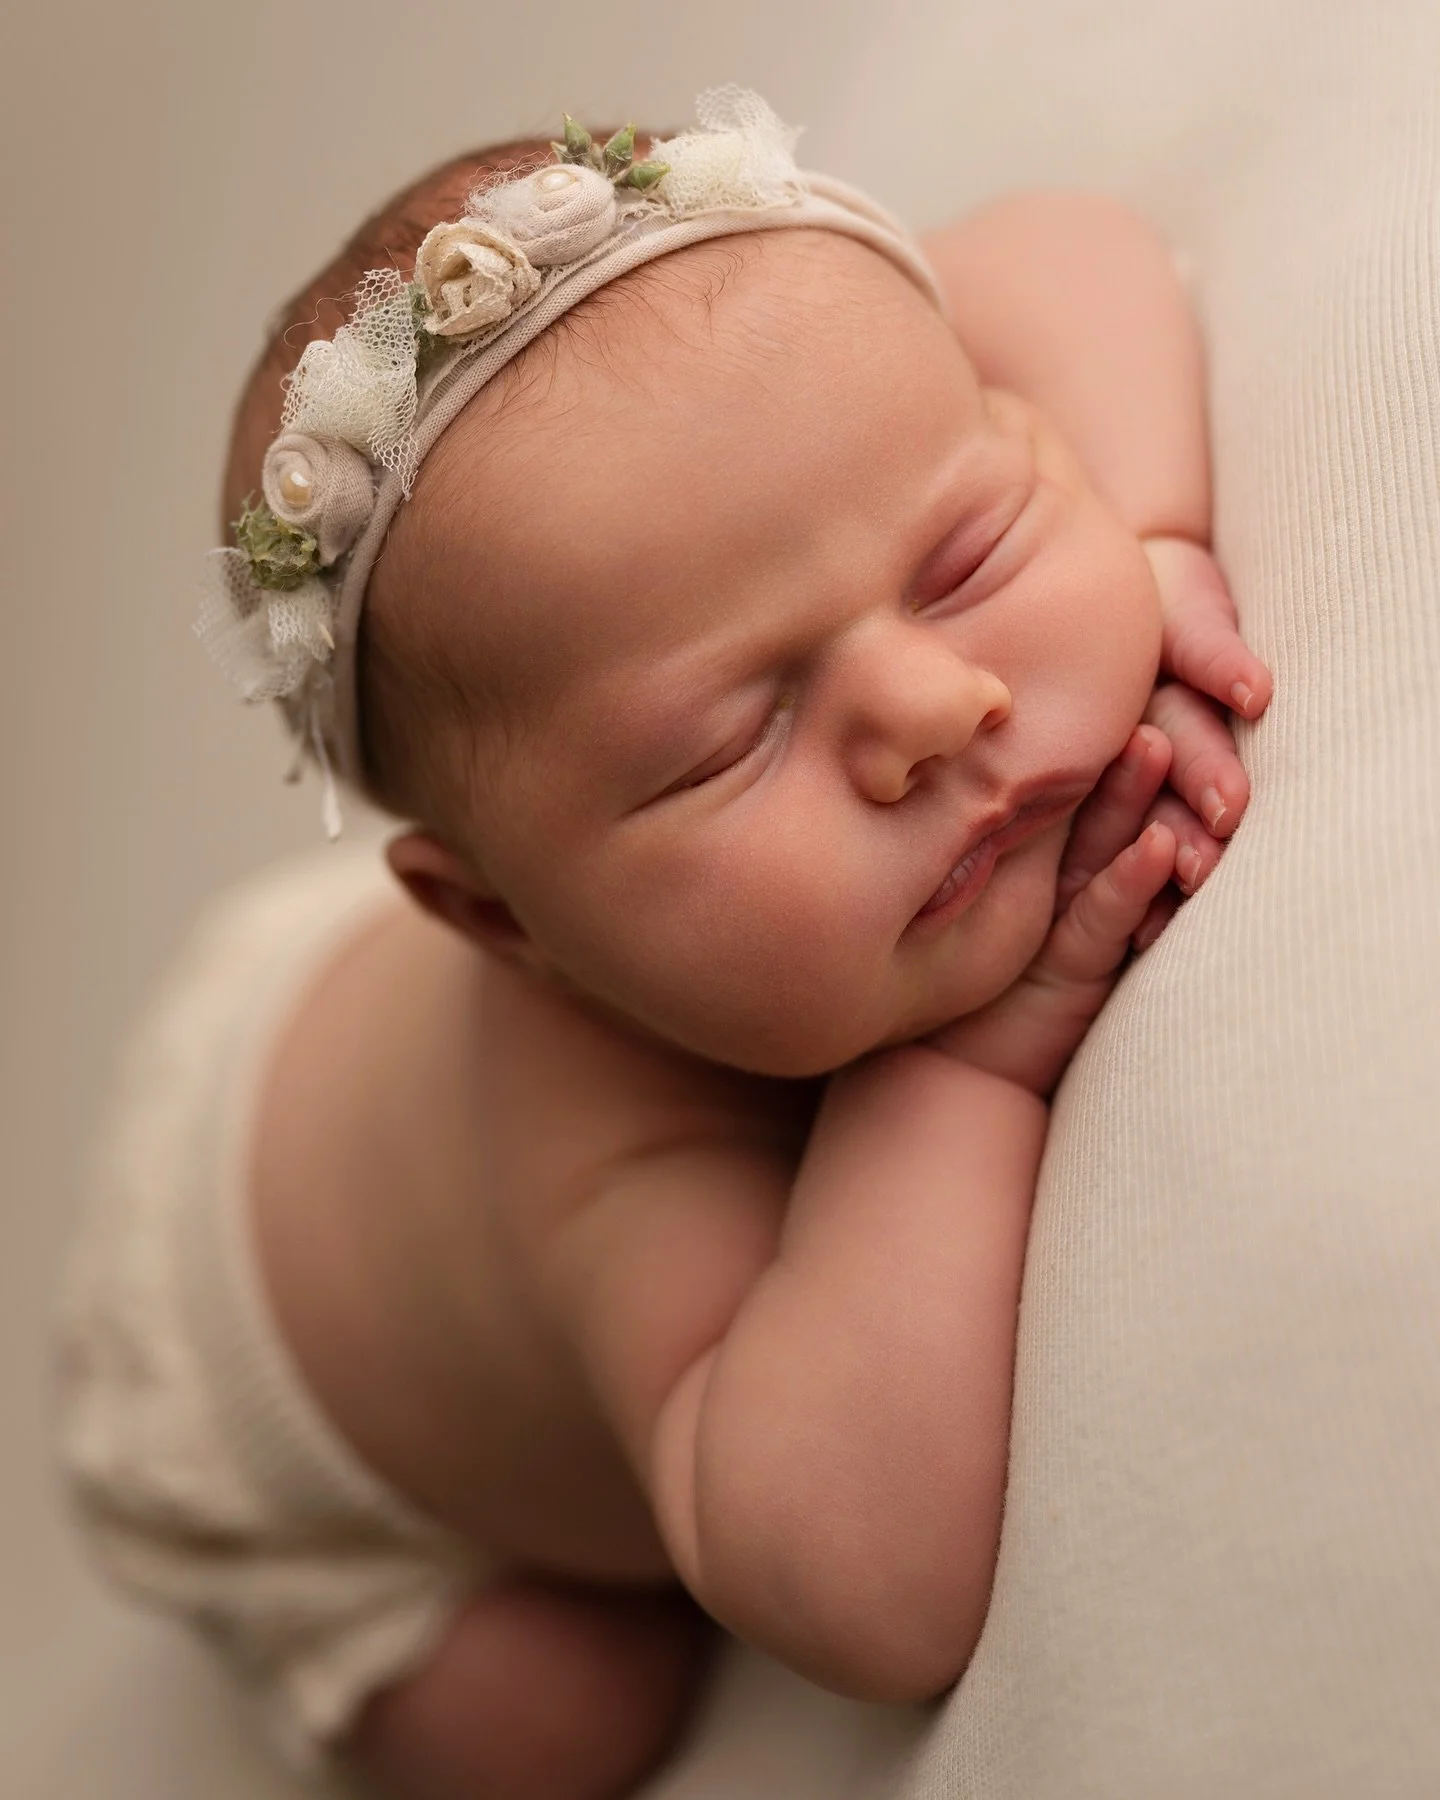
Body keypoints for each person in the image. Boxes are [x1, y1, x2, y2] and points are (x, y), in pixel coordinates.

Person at [54, 91, 1272, 1800]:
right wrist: (965, 1068)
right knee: (557, 1725)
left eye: (967, 551)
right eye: (728, 744)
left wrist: (1144, 523)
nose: (932, 711)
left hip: (353, 983)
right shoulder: (608, 1132)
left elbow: (1061, 246)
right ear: (510, 928)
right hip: (252, 1371)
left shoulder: (820, 464)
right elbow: (851, 1580)